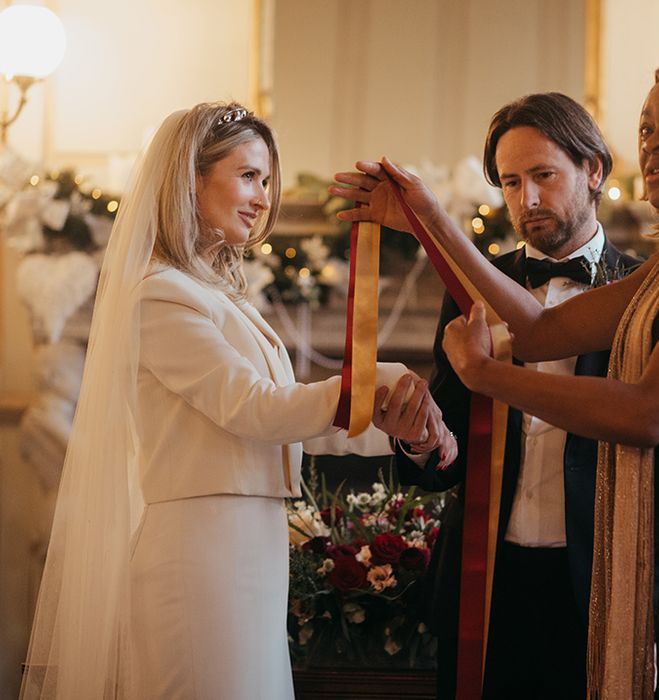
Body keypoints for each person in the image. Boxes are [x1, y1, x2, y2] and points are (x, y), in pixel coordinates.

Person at [334, 47, 659, 699]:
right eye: (647, 126)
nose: (652, 143)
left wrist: (490, 375)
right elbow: (538, 333)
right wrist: (428, 219)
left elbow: (648, 412)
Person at [20, 102, 456, 700]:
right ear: (190, 181)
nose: (263, 197)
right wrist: (375, 377)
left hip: (247, 542)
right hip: (200, 547)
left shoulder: (218, 297)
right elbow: (252, 406)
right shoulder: (161, 296)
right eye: (248, 175)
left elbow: (293, 418)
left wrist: (405, 425)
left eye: (267, 181)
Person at [376, 92, 638, 699]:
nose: (528, 201)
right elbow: (448, 454)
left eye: (544, 176)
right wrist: (421, 441)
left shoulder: (641, 290)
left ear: (593, 170)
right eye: (512, 183)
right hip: (486, 585)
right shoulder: (473, 285)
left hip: (599, 586)